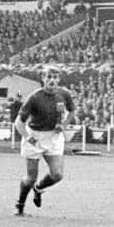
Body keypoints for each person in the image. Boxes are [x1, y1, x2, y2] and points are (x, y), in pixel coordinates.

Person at [14, 65, 75, 216]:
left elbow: (72, 111)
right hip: (35, 136)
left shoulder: (64, 94)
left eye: (55, 77)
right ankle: (20, 204)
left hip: (53, 136)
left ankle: (38, 189)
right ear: (43, 79)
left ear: (58, 79)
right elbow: (18, 123)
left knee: (57, 175)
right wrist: (29, 138)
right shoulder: (34, 97)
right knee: (30, 178)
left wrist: (64, 125)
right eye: (49, 77)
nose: (52, 80)